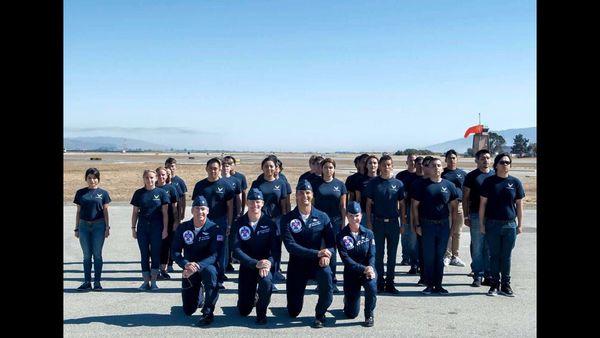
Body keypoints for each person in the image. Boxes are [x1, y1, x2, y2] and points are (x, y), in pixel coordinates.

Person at [281, 179, 335, 328]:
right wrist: (318, 253)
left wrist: (327, 254)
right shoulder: (287, 219)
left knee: (326, 277)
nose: (305, 196)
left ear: (312, 195)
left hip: (317, 264)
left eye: (308, 193)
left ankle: (320, 314)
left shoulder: (322, 216)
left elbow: (331, 244)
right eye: (301, 193)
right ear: (296, 196)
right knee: (293, 311)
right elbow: (291, 246)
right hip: (297, 265)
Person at [479, 153, 525, 297]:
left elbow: (519, 205)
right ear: (496, 165)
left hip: (510, 225)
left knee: (506, 256)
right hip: (492, 224)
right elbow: (483, 205)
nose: (505, 165)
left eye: (507, 162)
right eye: (502, 162)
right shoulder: (489, 182)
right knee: (494, 255)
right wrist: (481, 224)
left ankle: (505, 285)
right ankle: (494, 285)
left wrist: (520, 225)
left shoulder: (515, 183)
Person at [171, 196, 221, 326]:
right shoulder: (183, 228)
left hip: (206, 265)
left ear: (208, 211)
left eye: (203, 209)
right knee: (188, 310)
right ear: (192, 210)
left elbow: (215, 254)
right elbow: (175, 251)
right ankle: (199, 295)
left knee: (211, 275)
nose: (200, 212)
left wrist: (198, 266)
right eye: (197, 209)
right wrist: (185, 264)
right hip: (189, 267)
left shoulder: (214, 228)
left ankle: (208, 312)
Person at [412, 158, 459, 295]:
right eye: (433, 166)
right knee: (428, 256)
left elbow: (455, 207)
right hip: (427, 225)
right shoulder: (422, 186)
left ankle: (438, 285)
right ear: (429, 168)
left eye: (439, 165)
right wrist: (417, 225)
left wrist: (453, 226)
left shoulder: (449, 186)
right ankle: (429, 285)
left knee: (440, 256)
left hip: (443, 225)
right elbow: (415, 206)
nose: (436, 168)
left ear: (442, 168)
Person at [232, 188, 278, 325]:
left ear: (262, 203)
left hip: (264, 265)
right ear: (247, 203)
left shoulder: (270, 223)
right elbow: (236, 250)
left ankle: (261, 311)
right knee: (243, 311)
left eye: (258, 202)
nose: (254, 205)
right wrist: (254, 263)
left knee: (266, 281)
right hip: (247, 266)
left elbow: (275, 250)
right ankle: (251, 298)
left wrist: (268, 263)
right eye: (251, 201)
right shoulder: (239, 222)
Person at [365, 154, 406, 293]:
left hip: (393, 223)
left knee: (392, 254)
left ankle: (390, 283)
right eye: (384, 165)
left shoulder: (398, 184)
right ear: (380, 167)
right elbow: (369, 204)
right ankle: (379, 283)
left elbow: (402, 205)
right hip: (378, 223)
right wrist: (369, 223)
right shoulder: (373, 183)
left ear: (392, 166)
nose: (386, 167)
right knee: (378, 255)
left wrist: (403, 223)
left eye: (389, 165)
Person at [192, 158, 235, 289]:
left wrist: (229, 225)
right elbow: (195, 206)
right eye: (210, 168)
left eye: (215, 168)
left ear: (220, 169)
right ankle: (204, 279)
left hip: (220, 223)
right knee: (203, 250)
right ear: (206, 169)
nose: (213, 171)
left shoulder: (226, 185)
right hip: (203, 223)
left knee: (221, 251)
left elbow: (230, 207)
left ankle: (219, 279)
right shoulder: (200, 186)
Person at [251, 155, 289, 289]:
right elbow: (253, 203)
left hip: (277, 220)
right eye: (266, 166)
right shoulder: (257, 183)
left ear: (276, 168)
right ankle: (262, 275)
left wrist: (285, 221)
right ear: (262, 168)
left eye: (271, 166)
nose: (268, 168)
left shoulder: (281, 184)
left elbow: (285, 205)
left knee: (276, 249)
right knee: (262, 248)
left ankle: (274, 273)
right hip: (261, 220)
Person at [337, 201, 377, 327]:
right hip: (351, 273)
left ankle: (369, 314)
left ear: (361, 215)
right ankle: (348, 301)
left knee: (371, 286)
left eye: (357, 215)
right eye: (351, 215)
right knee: (351, 314)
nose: (354, 218)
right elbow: (346, 260)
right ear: (347, 216)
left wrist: (370, 268)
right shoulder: (341, 236)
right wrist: (363, 268)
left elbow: (372, 254)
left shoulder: (368, 233)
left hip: (367, 271)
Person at [130, 169, 170, 291]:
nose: (149, 180)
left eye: (152, 177)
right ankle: (145, 281)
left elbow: (165, 213)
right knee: (144, 255)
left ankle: (153, 282)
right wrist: (133, 228)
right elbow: (135, 212)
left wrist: (165, 230)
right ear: (143, 179)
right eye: (147, 178)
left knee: (155, 254)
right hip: (142, 227)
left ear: (156, 178)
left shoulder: (162, 193)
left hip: (157, 228)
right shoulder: (138, 193)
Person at [312, 158, 347, 293]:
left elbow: (343, 206)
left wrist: (344, 223)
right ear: (322, 169)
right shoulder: (315, 184)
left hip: (335, 222)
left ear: (334, 169)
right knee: (320, 251)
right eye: (326, 167)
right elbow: (312, 204)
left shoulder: (340, 185)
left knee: (332, 252)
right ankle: (321, 282)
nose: (328, 170)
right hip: (319, 223)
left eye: (331, 167)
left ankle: (332, 281)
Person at [74, 168, 111, 291]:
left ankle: (97, 282)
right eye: (89, 178)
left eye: (94, 178)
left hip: (99, 226)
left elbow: (105, 211)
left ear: (98, 179)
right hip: (84, 225)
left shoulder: (103, 193)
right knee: (86, 255)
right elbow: (78, 211)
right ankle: (87, 282)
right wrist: (77, 228)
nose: (92, 180)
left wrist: (107, 227)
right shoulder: (80, 193)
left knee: (97, 254)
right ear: (86, 179)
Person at [463, 149, 494, 287]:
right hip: (476, 215)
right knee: (477, 246)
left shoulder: (495, 175)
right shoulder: (471, 176)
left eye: (488, 158)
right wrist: (466, 215)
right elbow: (465, 197)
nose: (485, 160)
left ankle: (488, 275)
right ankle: (477, 275)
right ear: (476, 160)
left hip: (493, 216)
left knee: (489, 247)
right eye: (482, 158)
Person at [441, 149, 468, 267]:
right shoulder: (442, 173)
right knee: (448, 231)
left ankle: (455, 256)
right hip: (446, 206)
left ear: (457, 159)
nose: (451, 160)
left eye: (454, 158)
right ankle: (446, 255)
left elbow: (466, 191)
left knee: (457, 232)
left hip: (459, 205)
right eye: (449, 158)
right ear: (445, 160)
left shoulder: (462, 174)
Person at [155, 167, 180, 280]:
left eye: (163, 175)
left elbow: (175, 208)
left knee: (166, 245)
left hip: (169, 221)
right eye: (159, 175)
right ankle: (154, 269)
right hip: (155, 221)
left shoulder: (171, 188)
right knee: (155, 246)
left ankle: (163, 269)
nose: (161, 177)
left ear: (167, 176)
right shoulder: (152, 187)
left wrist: (176, 221)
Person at [396, 154, 419, 273]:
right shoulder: (401, 175)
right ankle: (405, 257)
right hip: (404, 206)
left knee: (414, 234)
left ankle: (415, 258)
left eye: (415, 160)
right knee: (405, 232)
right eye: (410, 160)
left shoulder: (420, 175)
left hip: (417, 207)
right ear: (406, 162)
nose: (413, 162)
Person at [221, 158, 243, 272]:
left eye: (227, 166)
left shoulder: (236, 181)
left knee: (231, 240)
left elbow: (239, 199)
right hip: (221, 215)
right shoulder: (218, 181)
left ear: (230, 168)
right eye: (223, 166)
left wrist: (239, 213)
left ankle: (230, 260)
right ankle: (224, 264)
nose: (225, 168)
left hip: (233, 214)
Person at [355, 155, 379, 226]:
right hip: (364, 214)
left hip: (379, 215)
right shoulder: (360, 180)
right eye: (370, 163)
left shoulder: (382, 180)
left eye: (375, 163)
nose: (372, 165)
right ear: (366, 165)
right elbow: (358, 200)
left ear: (378, 165)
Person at [165, 157, 188, 223]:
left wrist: (182, 212)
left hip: (175, 212)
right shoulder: (162, 181)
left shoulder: (180, 181)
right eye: (168, 166)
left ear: (175, 167)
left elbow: (183, 199)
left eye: (172, 166)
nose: (170, 168)